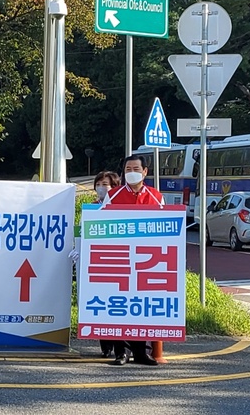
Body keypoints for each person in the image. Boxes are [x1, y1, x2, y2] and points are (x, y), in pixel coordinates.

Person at [102, 154, 164, 366]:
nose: (132, 172)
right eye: (128, 169)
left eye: (136, 168)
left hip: (147, 261)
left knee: (140, 306)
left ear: (145, 171)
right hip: (119, 260)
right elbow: (103, 224)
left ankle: (140, 351)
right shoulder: (114, 195)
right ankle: (121, 352)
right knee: (119, 305)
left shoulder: (156, 197)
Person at [91, 170, 120, 358]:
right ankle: (105, 346)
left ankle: (120, 346)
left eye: (106, 184)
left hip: (117, 260)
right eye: (99, 184)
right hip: (97, 261)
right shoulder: (92, 207)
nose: (101, 188)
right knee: (101, 302)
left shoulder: (119, 205)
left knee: (116, 306)